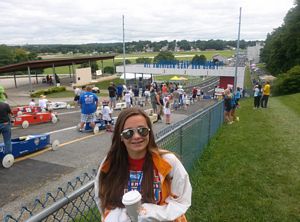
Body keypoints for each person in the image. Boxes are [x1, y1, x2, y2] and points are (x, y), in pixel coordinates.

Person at [94, 108, 191, 222]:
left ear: (149, 132)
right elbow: (103, 201)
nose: (136, 136)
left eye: (142, 130)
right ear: (120, 137)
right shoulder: (109, 164)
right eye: (128, 133)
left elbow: (181, 201)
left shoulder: (168, 161)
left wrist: (148, 213)